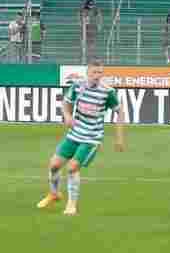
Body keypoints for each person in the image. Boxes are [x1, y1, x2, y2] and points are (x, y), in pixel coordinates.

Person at [36, 65, 127, 215]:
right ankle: (54, 194)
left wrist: (119, 138)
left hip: (91, 138)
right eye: (94, 72)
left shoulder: (108, 92)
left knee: (72, 168)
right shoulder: (78, 86)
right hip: (74, 134)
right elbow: (66, 102)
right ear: (87, 73)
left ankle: (71, 205)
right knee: (54, 165)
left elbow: (120, 112)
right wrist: (67, 116)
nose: (97, 75)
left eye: (100, 73)